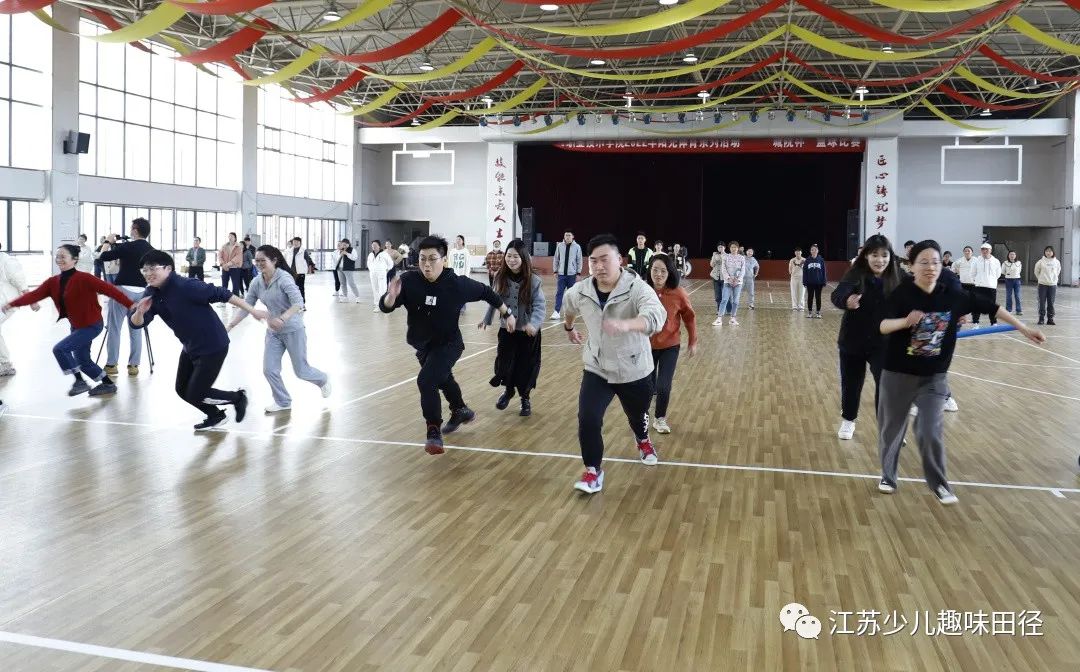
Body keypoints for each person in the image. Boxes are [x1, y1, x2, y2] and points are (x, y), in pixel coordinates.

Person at [876, 240, 1044, 504]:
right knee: (891, 430)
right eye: (923, 262)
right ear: (912, 266)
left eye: (935, 262)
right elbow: (883, 326)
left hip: (933, 377)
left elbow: (992, 308)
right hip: (898, 373)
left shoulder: (952, 295)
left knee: (930, 431)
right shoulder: (900, 294)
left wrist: (1023, 328)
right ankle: (888, 475)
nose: (930, 267)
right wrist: (905, 321)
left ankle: (939, 484)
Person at [380, 235, 515, 454]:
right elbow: (386, 306)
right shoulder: (409, 281)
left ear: (444, 259)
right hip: (423, 345)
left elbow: (487, 292)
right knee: (443, 378)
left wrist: (507, 314)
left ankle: (433, 430)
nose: (426, 264)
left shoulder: (457, 284)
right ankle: (460, 409)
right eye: (422, 258)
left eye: (432, 258)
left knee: (426, 381)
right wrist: (391, 297)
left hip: (449, 344)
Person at [562, 234, 666, 495]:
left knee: (637, 415)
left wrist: (627, 324)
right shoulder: (581, 291)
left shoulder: (638, 288)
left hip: (634, 368)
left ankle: (642, 439)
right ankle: (593, 471)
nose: (599, 266)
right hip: (597, 366)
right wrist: (569, 328)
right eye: (593, 261)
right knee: (588, 418)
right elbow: (568, 306)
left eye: (604, 260)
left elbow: (655, 317)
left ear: (619, 260)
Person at [129, 250, 264, 430]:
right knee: (182, 390)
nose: (148, 273)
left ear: (168, 268)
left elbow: (223, 294)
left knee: (195, 394)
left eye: (153, 268)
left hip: (212, 345)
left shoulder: (186, 286)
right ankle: (215, 415)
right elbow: (136, 324)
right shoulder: (151, 293)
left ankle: (238, 398)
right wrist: (140, 312)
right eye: (144, 270)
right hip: (190, 346)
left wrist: (253, 311)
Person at [3, 245, 132, 397]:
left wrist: (131, 305)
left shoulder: (86, 278)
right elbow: (34, 295)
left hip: (92, 325)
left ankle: (80, 382)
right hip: (77, 326)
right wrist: (12, 303)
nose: (59, 259)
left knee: (60, 349)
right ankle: (108, 384)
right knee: (83, 361)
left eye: (63, 256)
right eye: (57, 256)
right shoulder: (53, 282)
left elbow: (111, 291)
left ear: (74, 259)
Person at [228, 245, 330, 413]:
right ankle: (283, 401)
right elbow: (247, 306)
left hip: (293, 329)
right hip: (273, 332)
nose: (259, 264)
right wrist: (230, 325)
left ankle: (323, 380)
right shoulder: (257, 282)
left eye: (262, 260)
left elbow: (298, 303)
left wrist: (282, 319)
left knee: (302, 371)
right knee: (269, 370)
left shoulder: (284, 278)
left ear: (274, 260)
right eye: (256, 261)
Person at [830, 235, 904, 440]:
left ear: (890, 256)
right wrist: (847, 301)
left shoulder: (898, 275)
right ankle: (848, 420)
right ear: (866, 256)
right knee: (851, 383)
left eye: (884, 255)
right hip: (853, 340)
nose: (880, 260)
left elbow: (919, 293)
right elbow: (837, 295)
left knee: (887, 384)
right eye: (874, 255)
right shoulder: (856, 273)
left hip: (883, 342)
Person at [480, 239, 545, 417]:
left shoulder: (534, 281)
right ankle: (508, 391)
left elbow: (540, 306)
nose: (511, 260)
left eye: (515, 256)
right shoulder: (500, 277)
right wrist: (487, 319)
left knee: (525, 367)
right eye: (508, 256)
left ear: (523, 258)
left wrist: (533, 324)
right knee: (505, 363)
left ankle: (525, 398)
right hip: (506, 330)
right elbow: (494, 300)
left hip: (527, 332)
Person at [645, 254, 697, 434]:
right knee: (646, 386)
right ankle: (642, 417)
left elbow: (689, 318)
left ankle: (660, 419)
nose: (658, 274)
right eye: (655, 270)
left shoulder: (678, 293)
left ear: (669, 273)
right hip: (646, 347)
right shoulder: (643, 291)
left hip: (670, 346)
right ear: (649, 271)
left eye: (663, 271)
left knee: (663, 386)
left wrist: (692, 341)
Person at [97, 217, 153, 377]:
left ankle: (111, 364)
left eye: (131, 228)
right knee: (136, 327)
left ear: (135, 230)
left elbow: (102, 256)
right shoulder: (151, 250)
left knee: (114, 327)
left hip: (122, 291)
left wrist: (108, 241)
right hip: (142, 292)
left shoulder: (127, 246)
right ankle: (134, 365)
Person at [0, 241, 33, 376]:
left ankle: (5, 364)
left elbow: (19, 279)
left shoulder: (7, 260)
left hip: (7, 301)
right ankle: (5, 363)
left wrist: (31, 300)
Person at [550, 230, 583, 320]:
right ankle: (556, 312)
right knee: (559, 293)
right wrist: (555, 271)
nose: (567, 237)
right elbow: (556, 259)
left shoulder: (577, 247)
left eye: (569, 235)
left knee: (571, 294)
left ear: (573, 237)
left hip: (572, 275)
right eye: (566, 235)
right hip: (561, 275)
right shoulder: (560, 246)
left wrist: (578, 273)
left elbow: (579, 260)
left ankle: (569, 312)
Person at [970, 242, 1002, 326]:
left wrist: (991, 280)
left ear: (990, 250)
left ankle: (993, 323)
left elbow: (998, 274)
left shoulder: (996, 261)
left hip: (991, 287)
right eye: (982, 249)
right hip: (979, 287)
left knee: (992, 306)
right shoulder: (976, 261)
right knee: (976, 305)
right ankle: (975, 323)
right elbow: (972, 273)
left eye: (986, 249)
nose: (984, 251)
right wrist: (977, 281)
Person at [716, 240, 747, 326]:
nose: (734, 249)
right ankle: (719, 319)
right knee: (724, 299)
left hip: (738, 283)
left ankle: (733, 318)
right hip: (727, 282)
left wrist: (738, 280)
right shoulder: (726, 257)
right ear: (729, 248)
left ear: (738, 248)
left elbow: (743, 270)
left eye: (735, 247)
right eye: (732, 247)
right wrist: (728, 278)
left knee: (736, 301)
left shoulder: (742, 258)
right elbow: (723, 269)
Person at [1034, 245, 1061, 326]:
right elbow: (1036, 271)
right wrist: (1041, 279)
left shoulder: (1057, 262)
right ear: (1044, 252)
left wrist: (1053, 279)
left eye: (1050, 251)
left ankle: (1050, 319)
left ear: (1053, 252)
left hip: (1052, 285)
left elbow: (1058, 271)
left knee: (1051, 302)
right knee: (1041, 302)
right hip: (1042, 285)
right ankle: (1041, 318)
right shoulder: (1040, 262)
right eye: (1047, 251)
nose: (1048, 253)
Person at [286, 237, 315, 304]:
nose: (295, 243)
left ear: (300, 243)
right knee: (292, 288)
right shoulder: (289, 251)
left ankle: (302, 303)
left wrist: (306, 269)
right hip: (291, 273)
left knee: (300, 288)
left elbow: (308, 260)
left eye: (297, 242)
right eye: (294, 242)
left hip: (300, 272)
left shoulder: (303, 251)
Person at [366, 240, 392, 312]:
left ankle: (384, 305)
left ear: (379, 246)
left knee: (382, 289)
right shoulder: (370, 255)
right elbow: (368, 263)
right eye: (372, 245)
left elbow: (390, 263)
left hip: (381, 274)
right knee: (375, 289)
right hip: (373, 274)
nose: (373, 246)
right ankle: (377, 305)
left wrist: (386, 270)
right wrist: (371, 270)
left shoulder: (384, 254)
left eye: (375, 245)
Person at [802, 244, 826, 318]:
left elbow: (824, 271)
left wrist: (824, 281)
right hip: (810, 283)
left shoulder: (821, 260)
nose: (814, 251)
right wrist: (804, 281)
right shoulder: (807, 260)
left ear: (818, 251)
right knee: (810, 297)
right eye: (812, 250)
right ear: (810, 251)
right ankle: (810, 313)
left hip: (819, 283)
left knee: (818, 297)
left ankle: (818, 312)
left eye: (815, 250)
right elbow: (805, 272)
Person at [218, 232, 244, 297]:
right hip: (225, 268)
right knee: (224, 284)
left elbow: (237, 257)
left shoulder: (239, 247)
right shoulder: (224, 246)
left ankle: (235, 300)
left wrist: (227, 264)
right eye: (229, 236)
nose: (230, 237)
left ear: (235, 238)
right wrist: (223, 264)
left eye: (232, 236)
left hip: (235, 268)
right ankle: (223, 299)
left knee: (235, 285)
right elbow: (220, 255)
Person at [334, 238, 360, 303]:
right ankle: (345, 297)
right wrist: (340, 255)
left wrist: (347, 254)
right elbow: (337, 259)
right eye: (343, 244)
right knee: (342, 283)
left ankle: (357, 297)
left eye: (345, 244)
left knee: (351, 283)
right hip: (340, 269)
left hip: (348, 269)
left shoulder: (352, 250)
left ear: (348, 244)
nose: (344, 246)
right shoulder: (340, 250)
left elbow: (355, 258)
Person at [1001, 250, 1022, 315]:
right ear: (1008, 255)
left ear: (1015, 255)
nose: (1012, 256)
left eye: (1013, 254)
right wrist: (1008, 275)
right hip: (1008, 280)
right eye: (1010, 254)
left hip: (1017, 280)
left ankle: (1018, 310)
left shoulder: (1019, 263)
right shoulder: (1005, 263)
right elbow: (1003, 271)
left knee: (1017, 295)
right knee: (1009, 295)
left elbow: (1019, 271)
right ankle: (1008, 310)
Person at [709, 242, 725, 315]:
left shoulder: (727, 255)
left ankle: (724, 309)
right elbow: (712, 265)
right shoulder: (715, 255)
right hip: (716, 277)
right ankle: (719, 310)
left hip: (724, 278)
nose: (720, 248)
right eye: (719, 247)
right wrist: (714, 257)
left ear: (724, 248)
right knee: (718, 295)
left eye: (721, 247)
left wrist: (721, 257)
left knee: (724, 295)